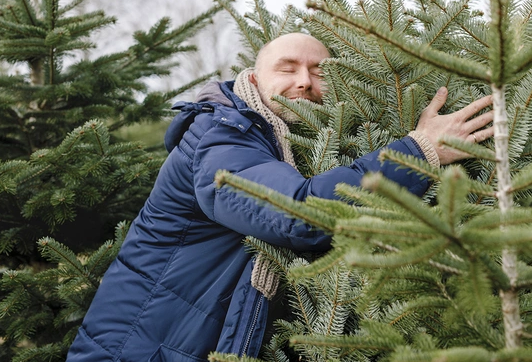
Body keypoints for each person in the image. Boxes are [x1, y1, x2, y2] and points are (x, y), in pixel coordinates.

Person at [66, 33, 494, 362]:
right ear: (252, 79)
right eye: (287, 68)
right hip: (142, 349)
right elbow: (298, 215)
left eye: (320, 71)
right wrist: (418, 151)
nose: (305, 82)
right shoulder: (223, 133)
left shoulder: (281, 141)